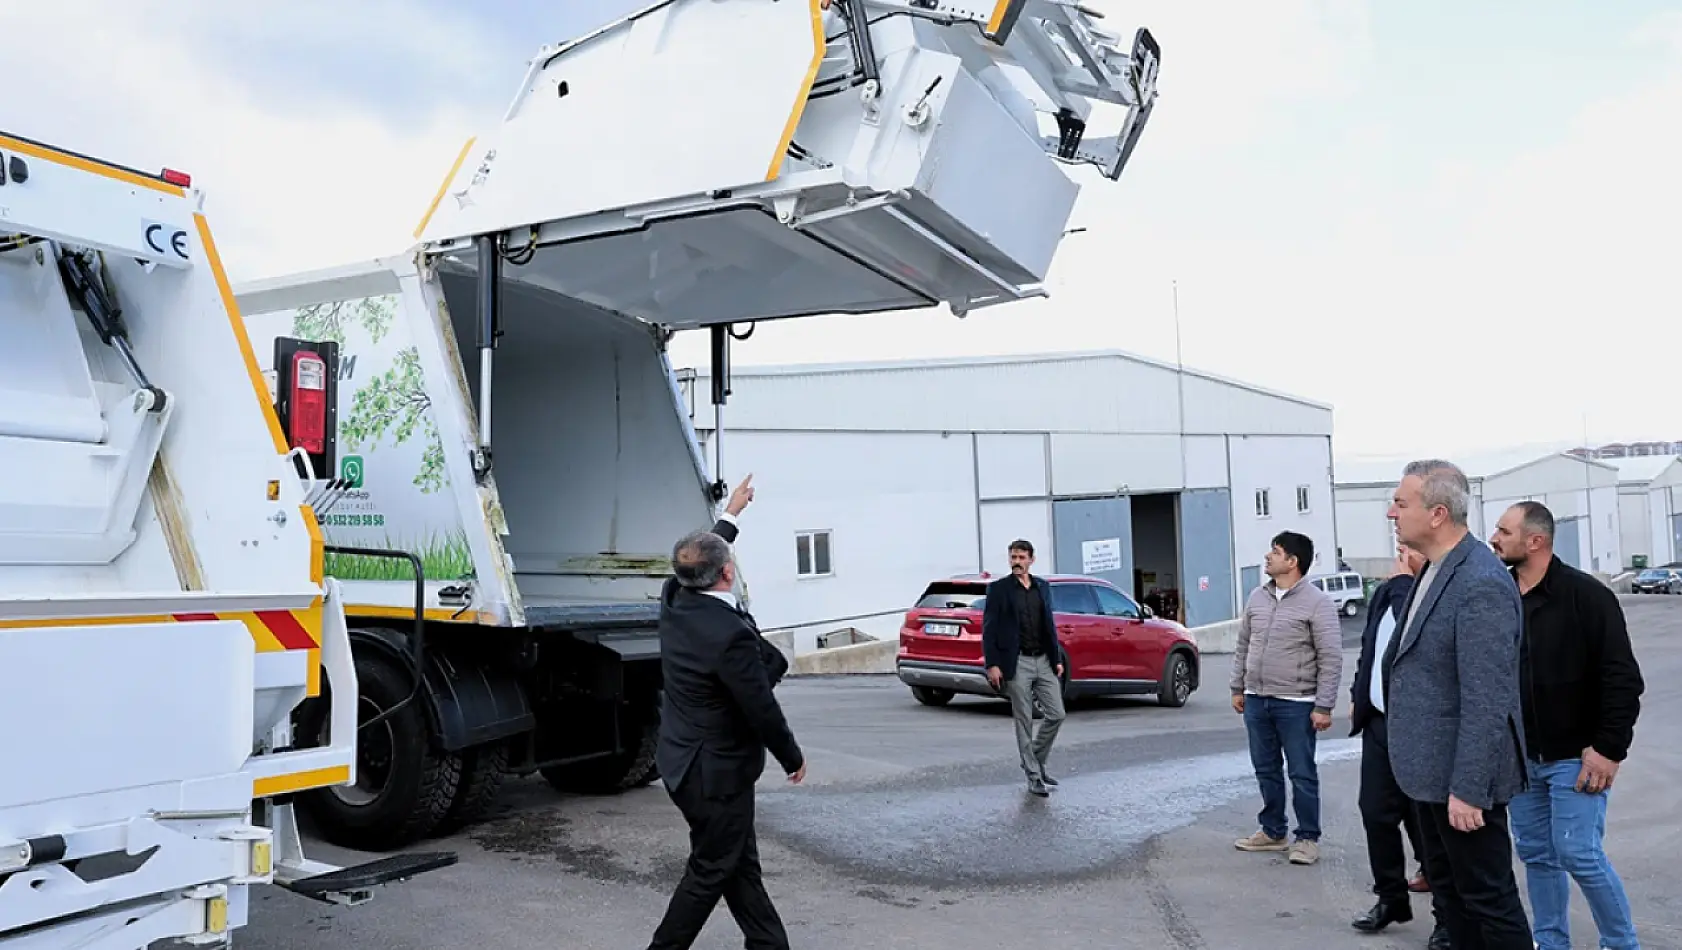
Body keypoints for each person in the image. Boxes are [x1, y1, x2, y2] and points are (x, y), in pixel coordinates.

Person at [647, 475, 807, 950]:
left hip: (687, 765)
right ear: (728, 574)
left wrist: (732, 513)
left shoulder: (674, 598)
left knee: (739, 863)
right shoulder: (729, 636)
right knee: (711, 869)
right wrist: (791, 756)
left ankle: (769, 945)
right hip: (714, 776)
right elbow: (760, 707)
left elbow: (700, 555)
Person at [1383, 459, 1533, 949]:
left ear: (1438, 514)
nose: (1391, 513)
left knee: (1488, 898)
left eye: (1401, 504)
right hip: (1428, 776)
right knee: (1451, 901)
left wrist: (1469, 788)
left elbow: (1488, 698)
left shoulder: (1479, 581)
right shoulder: (1435, 570)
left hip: (1463, 785)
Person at [1491, 501, 1646, 950]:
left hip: (1576, 758)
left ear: (1534, 541)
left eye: (1504, 530)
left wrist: (1609, 748)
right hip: (1521, 759)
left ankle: (1620, 944)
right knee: (1538, 856)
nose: (1495, 538)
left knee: (1578, 853)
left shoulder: (1586, 596)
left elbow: (1622, 678)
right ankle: (1550, 943)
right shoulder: (1498, 597)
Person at [1347, 542, 1449, 949]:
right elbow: (1371, 649)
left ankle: (1447, 916)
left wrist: (1404, 579)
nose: (1401, 552)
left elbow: (1412, 625)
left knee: (1426, 824)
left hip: (1421, 730)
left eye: (1409, 548)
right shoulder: (1390, 591)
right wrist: (1360, 693)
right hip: (1380, 724)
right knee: (1375, 812)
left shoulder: (1429, 589)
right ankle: (1390, 898)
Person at [1230, 531, 1343, 866]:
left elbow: (1331, 656)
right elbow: (1243, 645)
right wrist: (1238, 687)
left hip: (1297, 702)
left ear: (1293, 562)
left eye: (1275, 551)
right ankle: (1273, 830)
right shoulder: (1257, 598)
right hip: (1256, 699)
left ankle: (1307, 838)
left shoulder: (1317, 603)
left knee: (1301, 772)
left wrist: (1324, 705)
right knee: (1265, 768)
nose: (1268, 556)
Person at [982, 539, 1066, 797]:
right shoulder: (999, 589)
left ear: (1031, 559)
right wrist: (992, 664)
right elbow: (989, 629)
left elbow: (1048, 624)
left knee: (1056, 714)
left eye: (1021, 557)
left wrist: (1057, 658)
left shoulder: (1042, 586)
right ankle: (1033, 775)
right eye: (1013, 557)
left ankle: (1036, 760)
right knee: (1024, 719)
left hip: (1043, 659)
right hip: (1016, 662)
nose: (1016, 562)